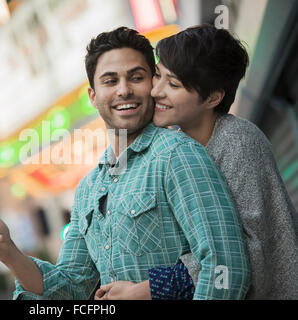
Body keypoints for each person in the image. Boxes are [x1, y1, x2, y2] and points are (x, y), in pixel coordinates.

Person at [0, 26, 251, 300]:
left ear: (153, 83)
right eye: (110, 81)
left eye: (136, 77)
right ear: (93, 96)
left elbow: (225, 265)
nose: (123, 90)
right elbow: (68, 287)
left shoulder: (178, 155)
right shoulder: (88, 188)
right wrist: (8, 251)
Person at [97, 25, 298, 300]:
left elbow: (246, 250)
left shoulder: (237, 141)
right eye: (158, 76)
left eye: (173, 84)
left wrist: (147, 289)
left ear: (213, 97)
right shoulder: (177, 144)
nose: (155, 91)